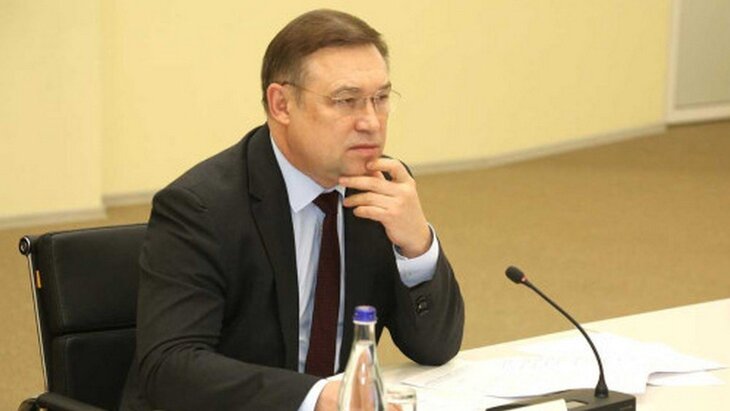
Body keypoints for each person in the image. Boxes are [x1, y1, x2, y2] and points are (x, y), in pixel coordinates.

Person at [120, 9, 464, 411]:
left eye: (381, 98)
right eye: (346, 101)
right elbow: (170, 368)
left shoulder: (381, 189)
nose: (371, 122)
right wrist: (316, 398)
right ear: (281, 104)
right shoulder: (200, 208)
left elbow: (435, 347)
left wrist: (417, 246)